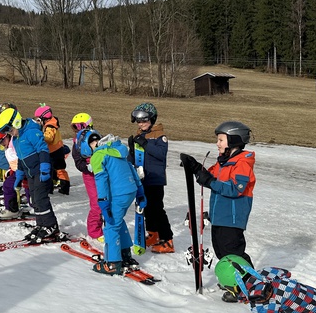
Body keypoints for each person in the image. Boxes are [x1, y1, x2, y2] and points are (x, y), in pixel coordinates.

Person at [181, 121, 256, 302]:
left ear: (234, 140)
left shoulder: (242, 163)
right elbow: (210, 176)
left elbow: (234, 189)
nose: (217, 144)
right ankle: (233, 281)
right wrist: (196, 168)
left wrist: (209, 181)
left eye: (221, 140)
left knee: (233, 252)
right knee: (222, 252)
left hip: (232, 217)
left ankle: (249, 285)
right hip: (220, 216)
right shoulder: (224, 162)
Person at [81, 131, 146, 274]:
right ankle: (125, 254)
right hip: (130, 190)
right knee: (118, 220)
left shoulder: (98, 155)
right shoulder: (116, 150)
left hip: (119, 194)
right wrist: (140, 191)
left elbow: (101, 180)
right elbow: (131, 169)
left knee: (111, 226)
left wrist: (103, 201)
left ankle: (113, 263)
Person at [0, 107, 61, 242]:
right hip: (30, 173)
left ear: (16, 122)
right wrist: (19, 175)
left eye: (9, 129)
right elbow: (21, 158)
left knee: (41, 199)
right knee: (34, 200)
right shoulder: (16, 138)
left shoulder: (31, 132)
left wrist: (45, 168)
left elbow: (43, 149)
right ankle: (41, 224)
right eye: (6, 131)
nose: (8, 133)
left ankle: (51, 225)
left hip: (40, 171)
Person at [128, 103, 174, 254]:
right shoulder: (139, 135)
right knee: (147, 208)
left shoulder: (160, 136)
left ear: (152, 119)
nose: (141, 124)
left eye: (144, 121)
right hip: (142, 179)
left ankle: (167, 239)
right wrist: (131, 151)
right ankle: (153, 234)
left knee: (157, 209)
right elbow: (133, 158)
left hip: (155, 179)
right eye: (138, 121)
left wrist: (146, 144)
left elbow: (161, 154)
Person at [71, 113, 102, 244]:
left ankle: (107, 227)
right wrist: (87, 167)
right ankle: (94, 231)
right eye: (75, 127)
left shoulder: (96, 137)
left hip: (102, 173)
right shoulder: (77, 143)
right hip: (90, 176)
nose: (77, 130)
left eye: (79, 126)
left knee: (107, 201)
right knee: (96, 204)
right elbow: (78, 162)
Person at [34, 104, 70, 195]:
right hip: (58, 149)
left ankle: (51, 188)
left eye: (39, 119)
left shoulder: (50, 126)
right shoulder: (53, 123)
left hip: (53, 151)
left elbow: (49, 138)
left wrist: (40, 135)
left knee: (51, 169)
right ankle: (64, 187)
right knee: (59, 169)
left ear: (44, 118)